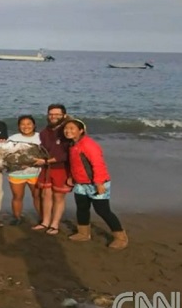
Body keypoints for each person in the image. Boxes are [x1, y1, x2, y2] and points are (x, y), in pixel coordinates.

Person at [63, 118, 127, 249]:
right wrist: (71, 177)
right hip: (81, 183)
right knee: (82, 208)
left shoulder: (88, 144)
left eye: (72, 128)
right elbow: (76, 164)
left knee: (103, 210)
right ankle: (83, 233)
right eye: (66, 128)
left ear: (81, 131)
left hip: (97, 182)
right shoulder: (73, 144)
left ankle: (121, 237)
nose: (68, 131)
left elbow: (98, 164)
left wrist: (99, 183)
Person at [31, 104, 71, 235]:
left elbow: (67, 154)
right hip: (46, 167)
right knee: (45, 195)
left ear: (64, 115)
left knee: (58, 197)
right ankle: (45, 222)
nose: (53, 116)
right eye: (51, 114)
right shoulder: (44, 132)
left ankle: (55, 224)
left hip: (62, 168)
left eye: (57, 114)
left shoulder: (68, 130)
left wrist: (47, 161)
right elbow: (43, 150)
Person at [7, 115, 42, 226]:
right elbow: (7, 156)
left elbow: (46, 154)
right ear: (18, 126)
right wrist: (18, 164)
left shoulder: (41, 137)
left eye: (29, 124)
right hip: (17, 173)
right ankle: (17, 217)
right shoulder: (13, 138)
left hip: (36, 173)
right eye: (22, 124)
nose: (26, 126)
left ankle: (43, 218)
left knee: (37, 196)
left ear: (34, 125)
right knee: (17, 197)